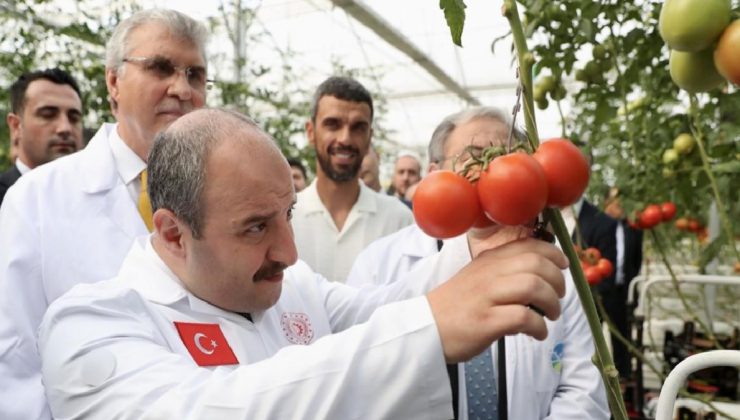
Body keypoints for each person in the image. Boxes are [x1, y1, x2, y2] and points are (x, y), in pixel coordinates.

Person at [38, 108, 568, 419]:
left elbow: (384, 309)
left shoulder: (293, 289)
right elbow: (212, 408)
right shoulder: (90, 328)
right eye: (255, 227)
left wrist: (483, 238)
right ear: (174, 233)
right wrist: (428, 330)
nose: (289, 252)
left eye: (287, 215)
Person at [0, 9, 209, 420]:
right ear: (114, 82)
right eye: (161, 68)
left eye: (196, 75)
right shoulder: (38, 199)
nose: (182, 89)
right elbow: (13, 356)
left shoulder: (220, 196)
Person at [347, 107, 610, 419]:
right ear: (435, 173)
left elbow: (583, 391)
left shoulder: (554, 267)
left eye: (507, 159)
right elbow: (359, 375)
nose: (492, 172)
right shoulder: (380, 264)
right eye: (475, 157)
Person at [292, 76, 413, 283]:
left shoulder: (398, 220)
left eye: (358, 127)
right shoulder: (286, 219)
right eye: (333, 124)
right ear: (311, 132)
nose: (345, 139)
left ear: (369, 137)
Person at [0, 68, 84, 204]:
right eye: (48, 115)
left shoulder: (103, 200)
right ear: (16, 126)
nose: (65, 128)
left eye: (73, 118)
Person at [604, 187, 643, 379]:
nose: (618, 206)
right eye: (614, 202)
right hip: (599, 288)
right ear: (606, 204)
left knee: (622, 335)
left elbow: (637, 260)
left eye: (621, 203)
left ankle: (623, 376)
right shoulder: (598, 225)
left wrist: (632, 286)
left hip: (621, 289)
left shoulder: (633, 229)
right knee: (589, 334)